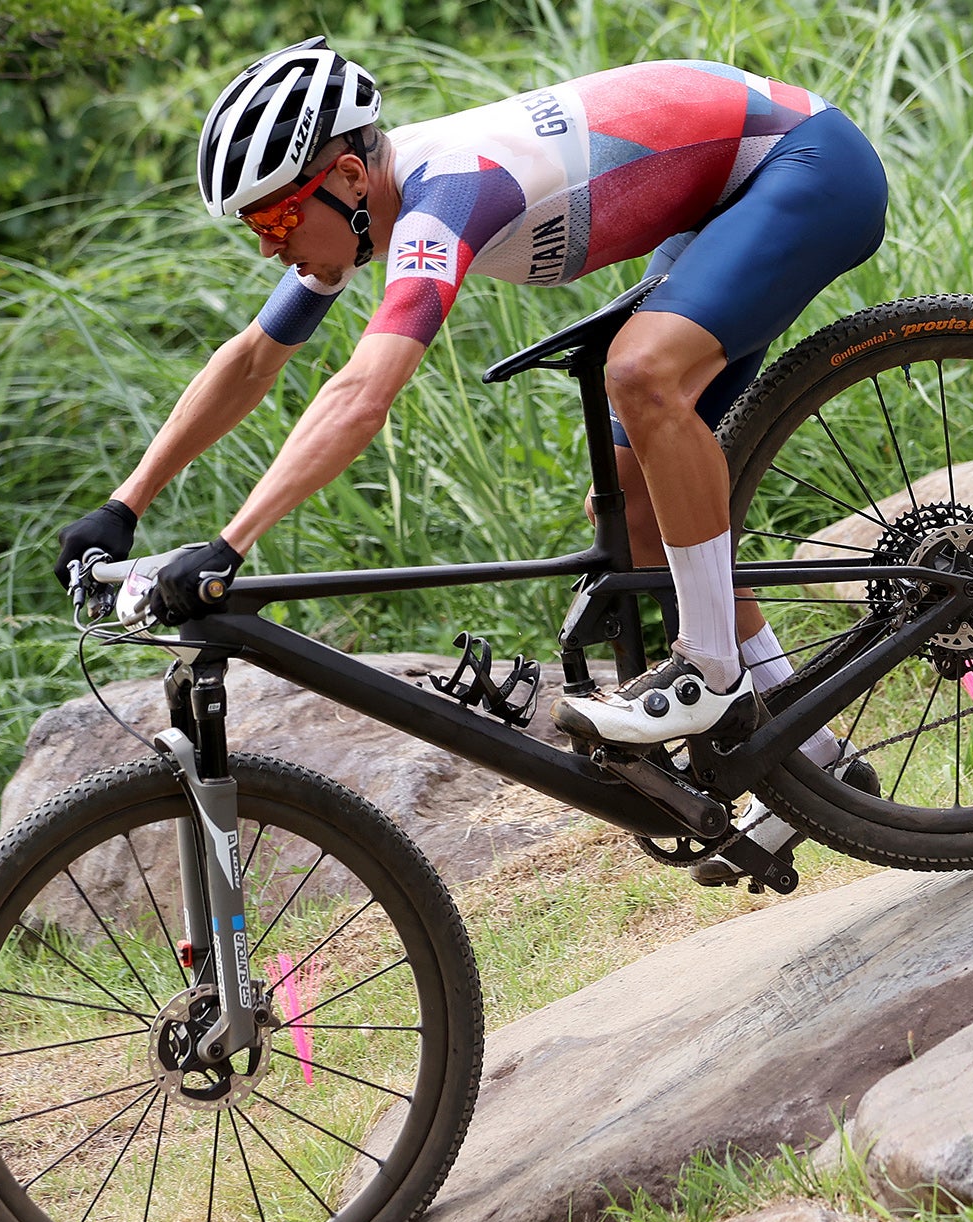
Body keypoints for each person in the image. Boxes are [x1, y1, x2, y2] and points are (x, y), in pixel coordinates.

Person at [55, 39, 887, 834]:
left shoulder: (441, 194)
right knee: (637, 506)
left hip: (805, 163)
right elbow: (249, 362)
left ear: (347, 175)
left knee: (640, 375)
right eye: (253, 225)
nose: (270, 243)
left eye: (275, 214)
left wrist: (231, 545)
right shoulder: (362, 211)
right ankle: (815, 765)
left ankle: (712, 671)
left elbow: (361, 397)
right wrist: (122, 505)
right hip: (721, 200)